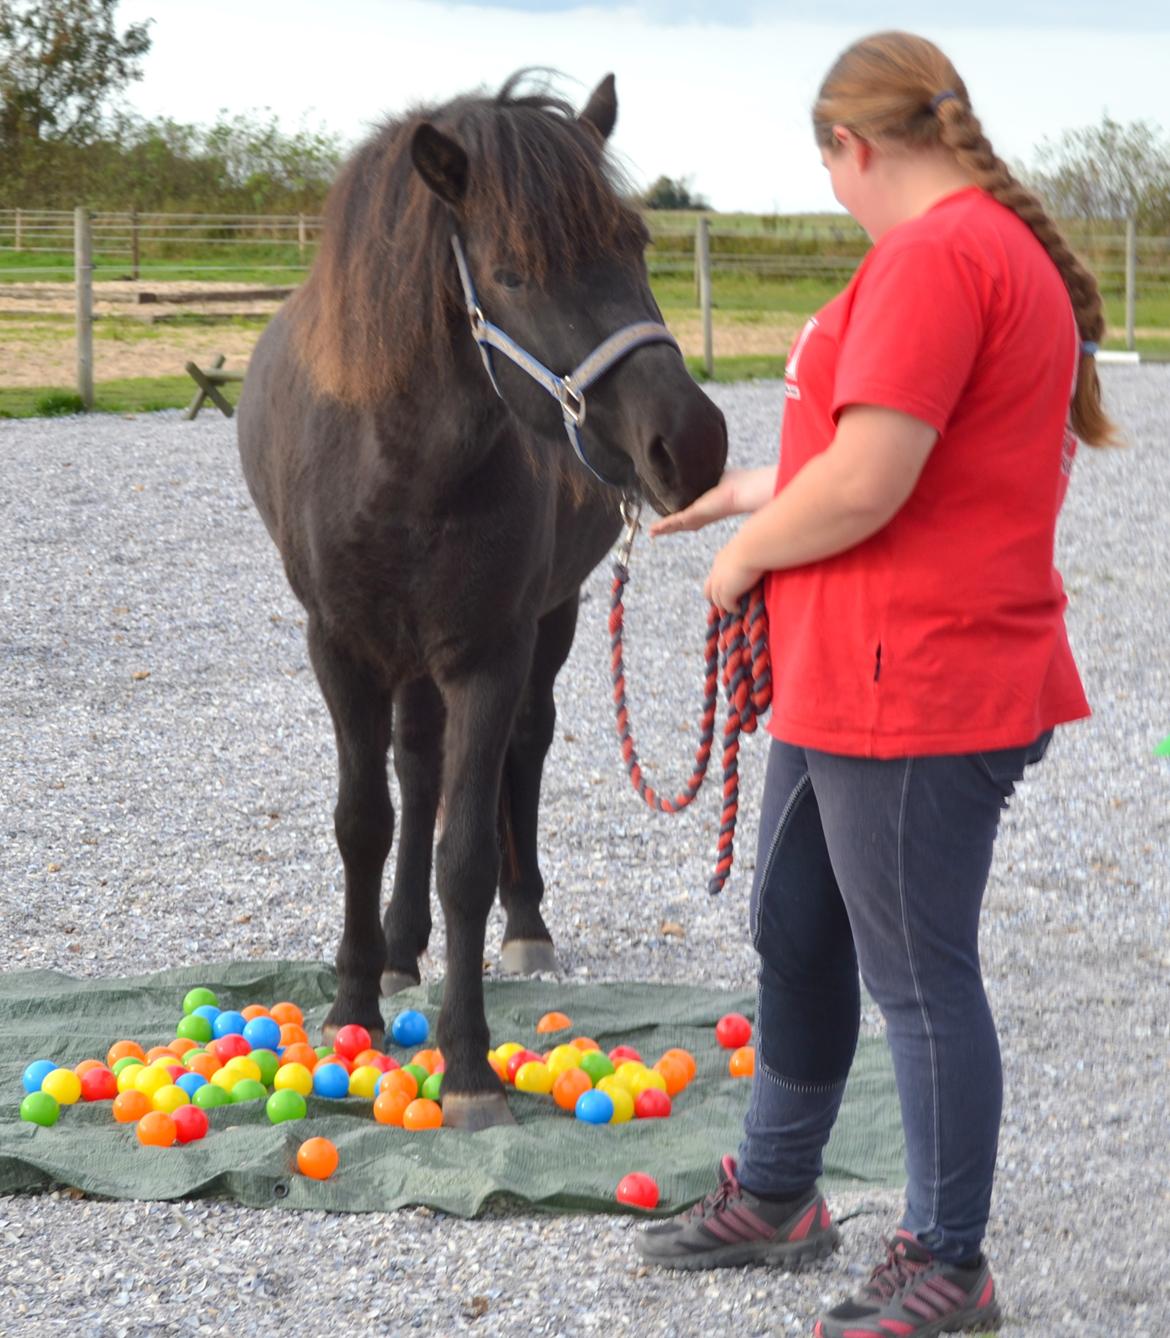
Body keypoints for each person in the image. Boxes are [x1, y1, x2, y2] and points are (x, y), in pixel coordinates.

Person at [634, 29, 1115, 1338]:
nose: (834, 191)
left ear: (849, 146)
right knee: (796, 927)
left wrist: (738, 558)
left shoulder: (934, 259)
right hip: (849, 673)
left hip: (919, 679)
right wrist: (747, 491)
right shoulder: (960, 254)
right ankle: (780, 1191)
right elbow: (881, 455)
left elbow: (869, 481)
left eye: (829, 169)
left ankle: (946, 1259)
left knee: (916, 976)